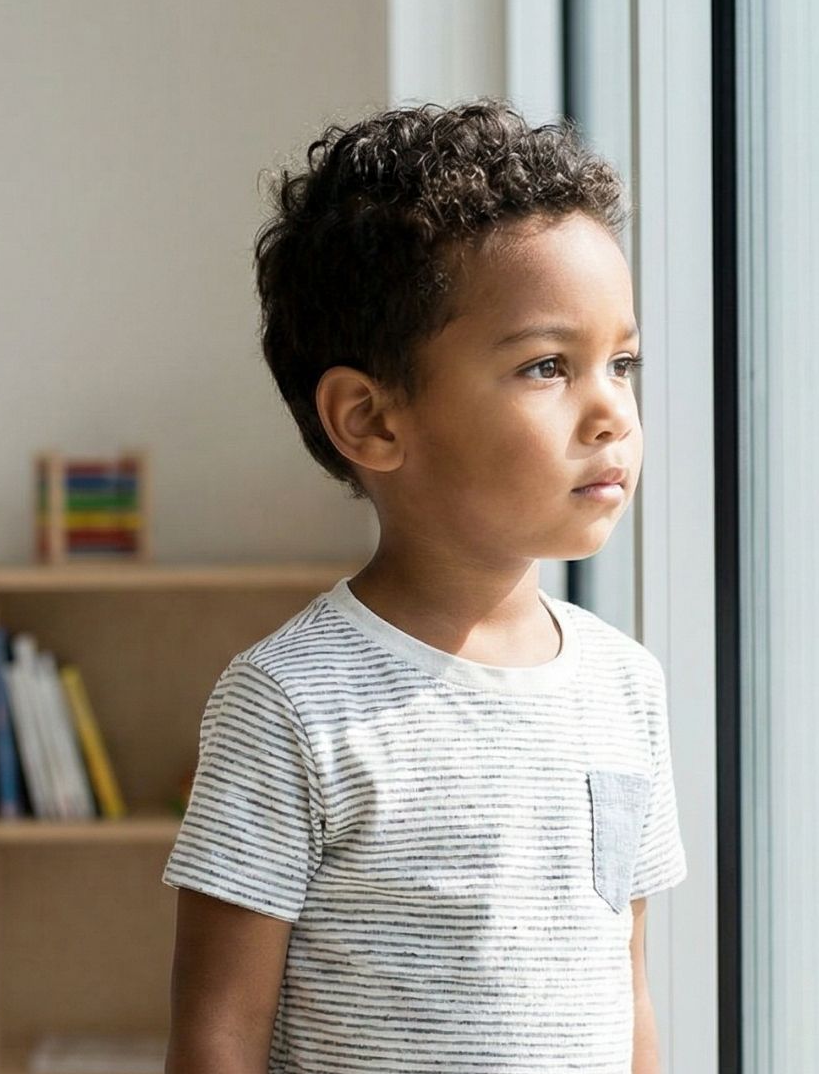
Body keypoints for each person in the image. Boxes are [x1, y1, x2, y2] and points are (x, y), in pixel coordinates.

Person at [161, 99, 689, 1074]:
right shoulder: (285, 705)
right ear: (370, 419)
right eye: (547, 366)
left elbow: (629, 995)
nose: (612, 408)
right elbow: (217, 1038)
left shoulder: (627, 687)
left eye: (622, 362)